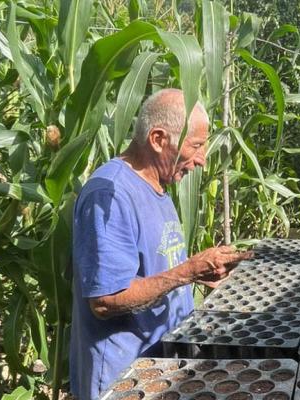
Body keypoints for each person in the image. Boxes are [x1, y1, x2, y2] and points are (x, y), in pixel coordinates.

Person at [69, 89, 251, 399]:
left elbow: (157, 268)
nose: (201, 160)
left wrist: (197, 273)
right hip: (123, 380)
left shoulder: (157, 187)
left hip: (159, 367)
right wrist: (187, 272)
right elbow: (105, 301)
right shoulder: (110, 194)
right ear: (157, 139)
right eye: (195, 146)